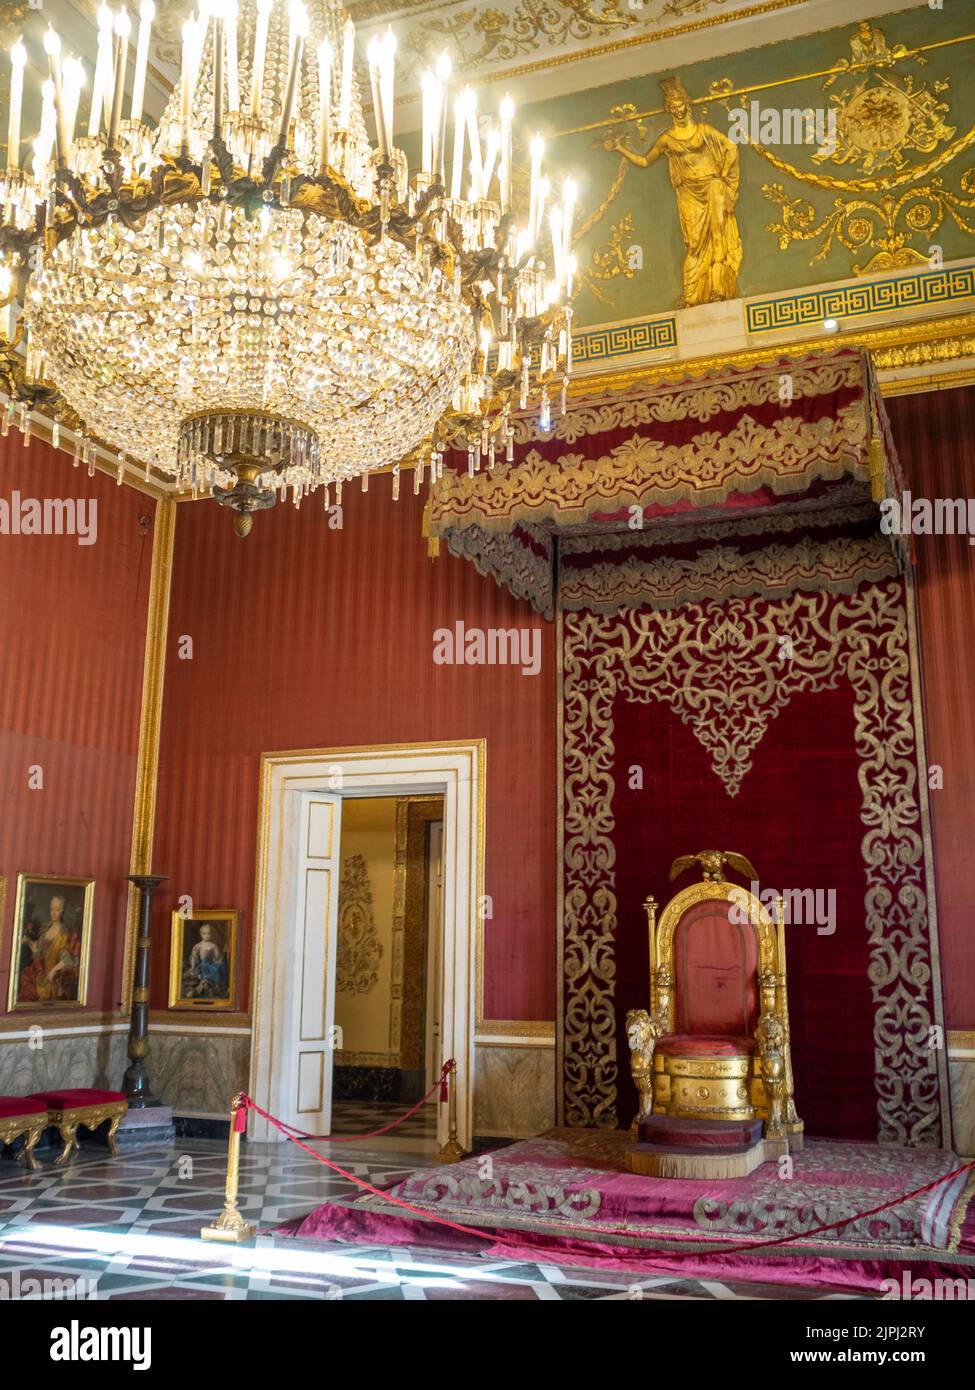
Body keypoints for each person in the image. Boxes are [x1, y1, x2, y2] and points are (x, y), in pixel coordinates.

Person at [606, 75, 742, 308]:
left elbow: (731, 147)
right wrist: (620, 148)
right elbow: (645, 161)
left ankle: (719, 288)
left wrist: (722, 173)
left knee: (718, 236)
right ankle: (692, 294)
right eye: (674, 107)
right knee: (694, 241)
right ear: (669, 109)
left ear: (687, 105)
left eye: (681, 106)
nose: (678, 111)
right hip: (688, 192)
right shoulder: (667, 139)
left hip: (712, 186)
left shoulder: (704, 130)